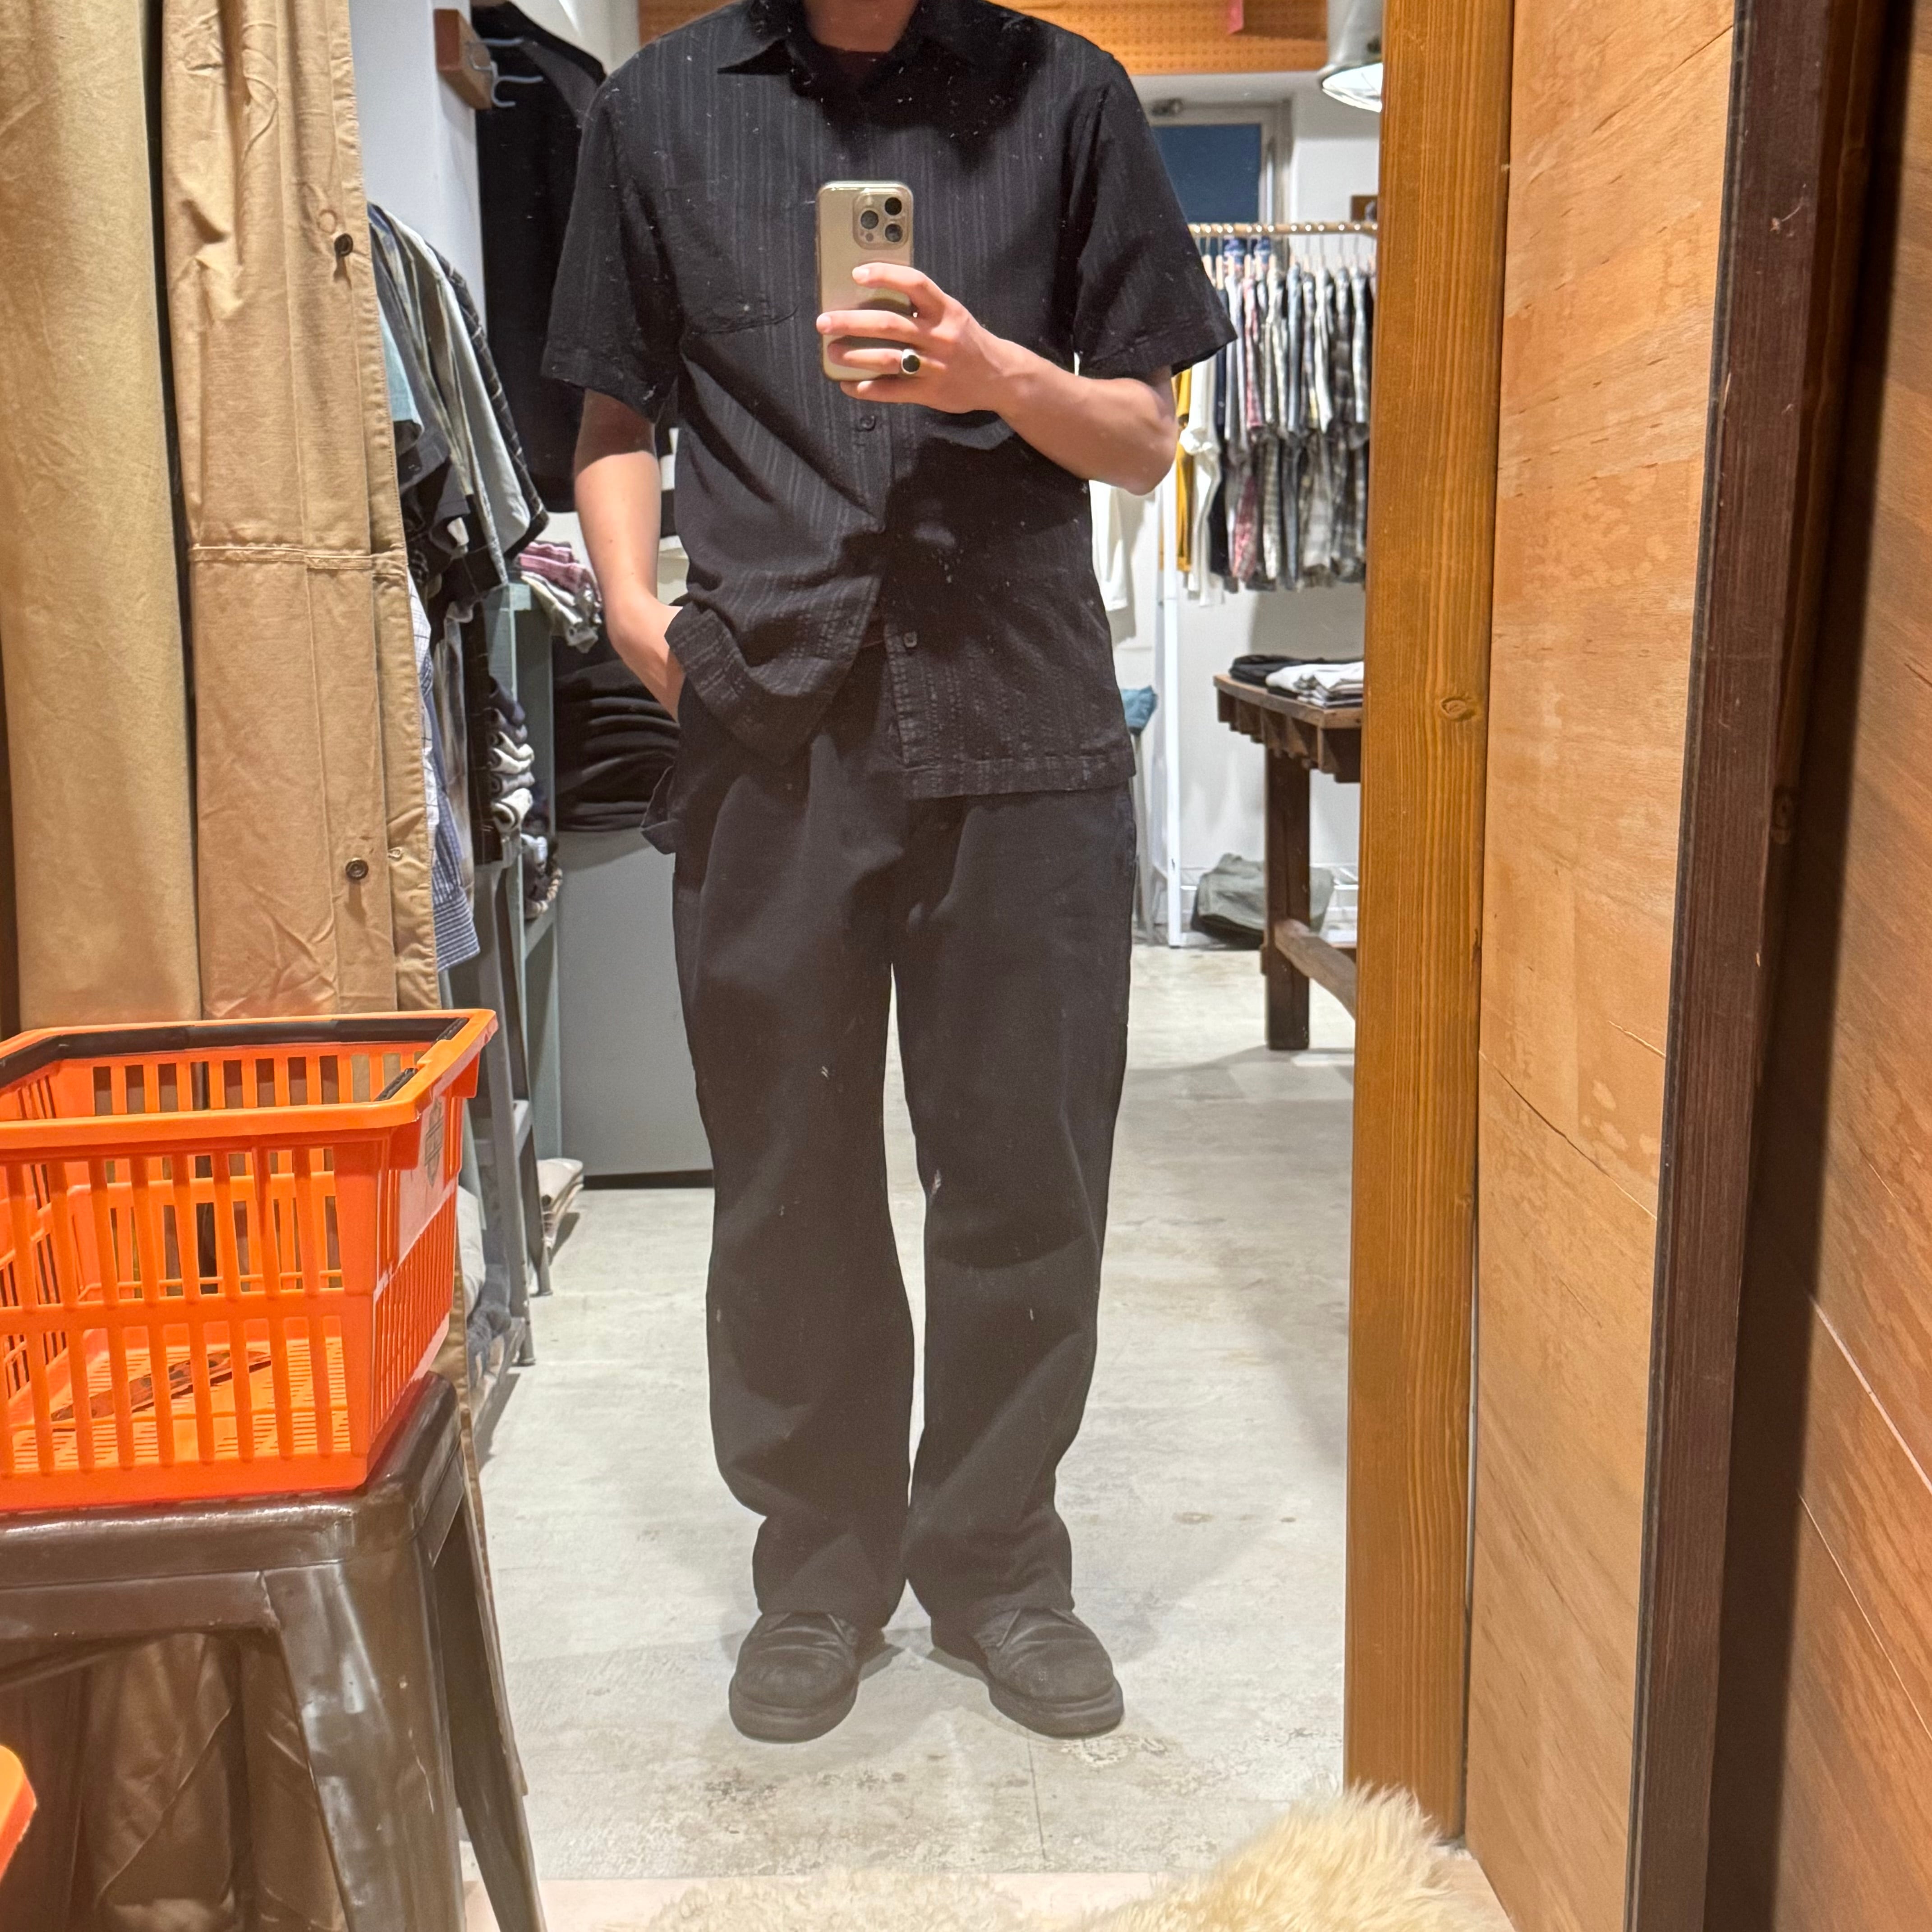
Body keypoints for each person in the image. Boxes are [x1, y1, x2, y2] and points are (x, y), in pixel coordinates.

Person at [544, 0, 1233, 1744]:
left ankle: (998, 1566)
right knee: (788, 1172)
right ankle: (819, 1569)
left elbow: (1143, 436)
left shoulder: (1067, 98)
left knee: (1025, 1166)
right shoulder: (656, 111)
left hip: (1022, 711)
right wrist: (633, 617)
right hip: (769, 718)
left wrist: (995, 375)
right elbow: (616, 411)